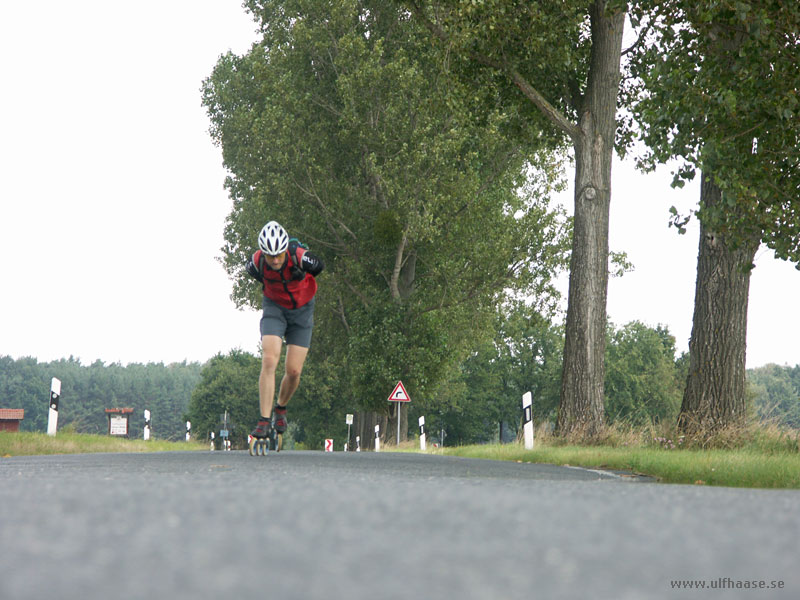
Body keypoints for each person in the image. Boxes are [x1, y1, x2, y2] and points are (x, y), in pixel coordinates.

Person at [245, 220, 324, 444]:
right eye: (271, 256)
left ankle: (280, 409)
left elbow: (319, 265)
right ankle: (263, 419)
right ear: (263, 253)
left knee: (294, 371)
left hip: (302, 311)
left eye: (279, 254)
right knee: (269, 359)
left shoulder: (297, 255)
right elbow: (252, 272)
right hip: (274, 309)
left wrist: (303, 272)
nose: (276, 260)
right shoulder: (256, 262)